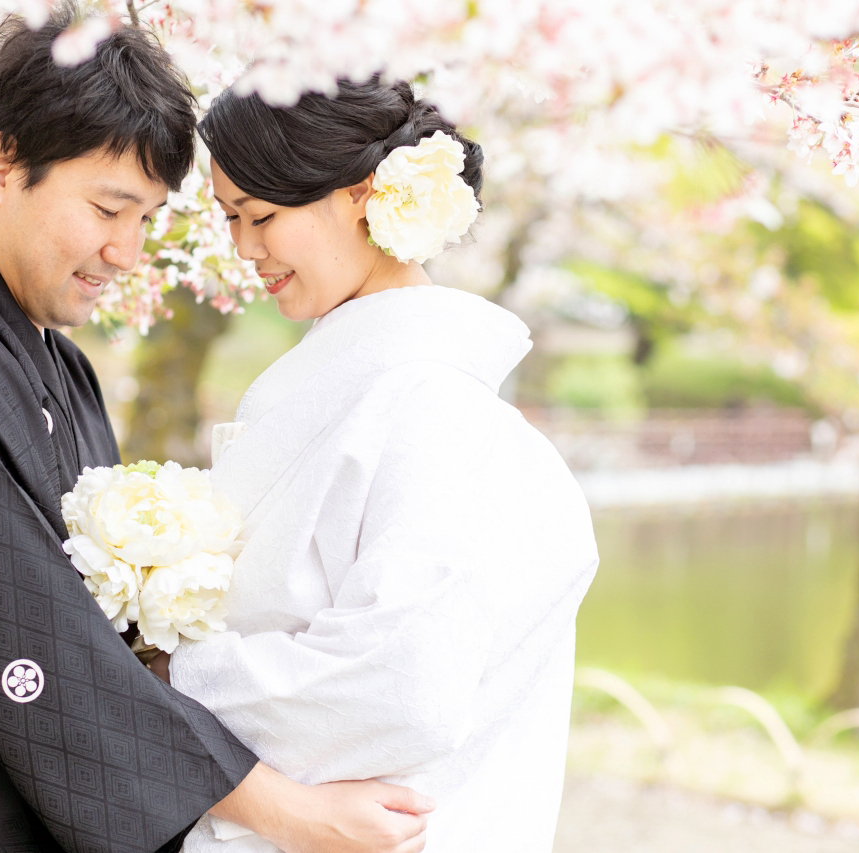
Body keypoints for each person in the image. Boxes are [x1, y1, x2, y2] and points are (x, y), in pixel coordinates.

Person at [0, 12, 432, 853]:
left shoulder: (51, 364)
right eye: (110, 207)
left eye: (145, 219)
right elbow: (34, 653)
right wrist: (281, 808)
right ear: (2, 165)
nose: (126, 250)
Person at [162, 78, 600, 851]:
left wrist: (171, 673)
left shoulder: (435, 414)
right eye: (230, 219)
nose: (244, 249)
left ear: (364, 194)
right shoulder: (379, 393)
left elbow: (400, 689)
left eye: (261, 216)